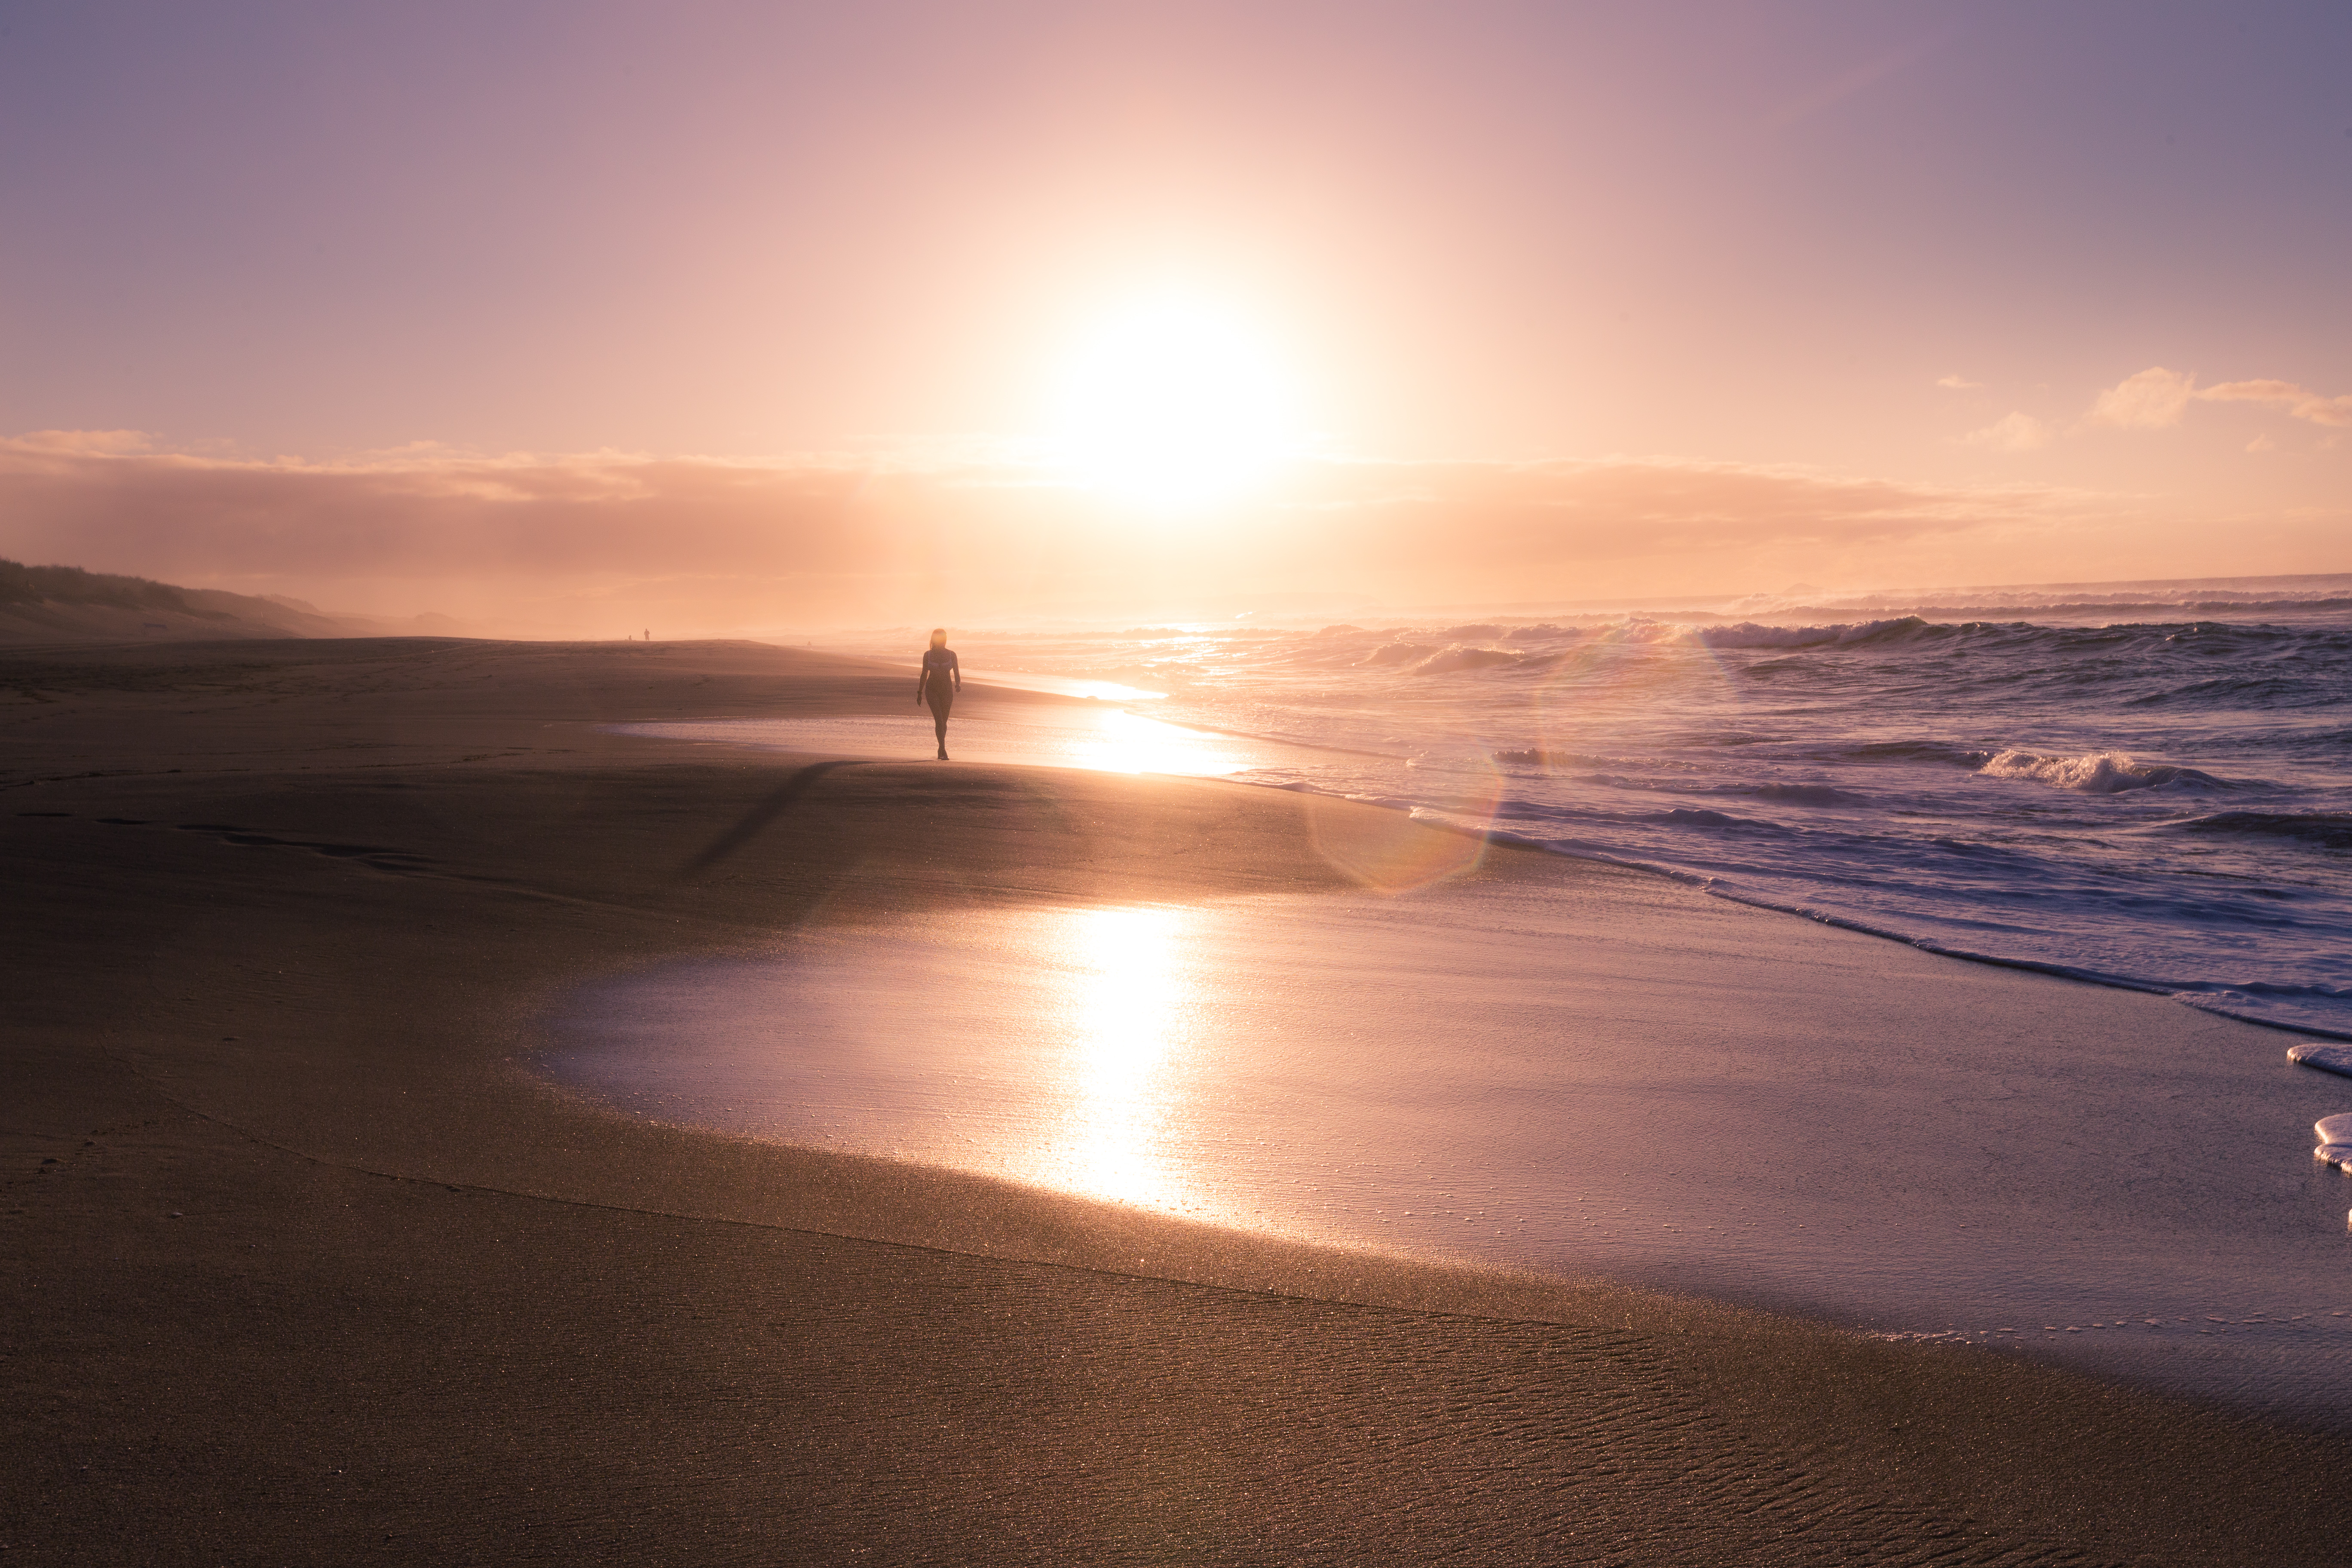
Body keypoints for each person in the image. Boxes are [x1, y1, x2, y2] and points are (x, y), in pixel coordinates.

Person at [915, 627, 961, 760]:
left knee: (944, 722)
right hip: (932, 690)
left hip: (947, 691)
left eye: (944, 638)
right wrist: (920, 692)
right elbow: (924, 674)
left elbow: (957, 673)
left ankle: (941, 748)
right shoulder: (927, 655)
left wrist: (958, 684)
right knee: (939, 721)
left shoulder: (952, 655)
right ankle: (943, 750)